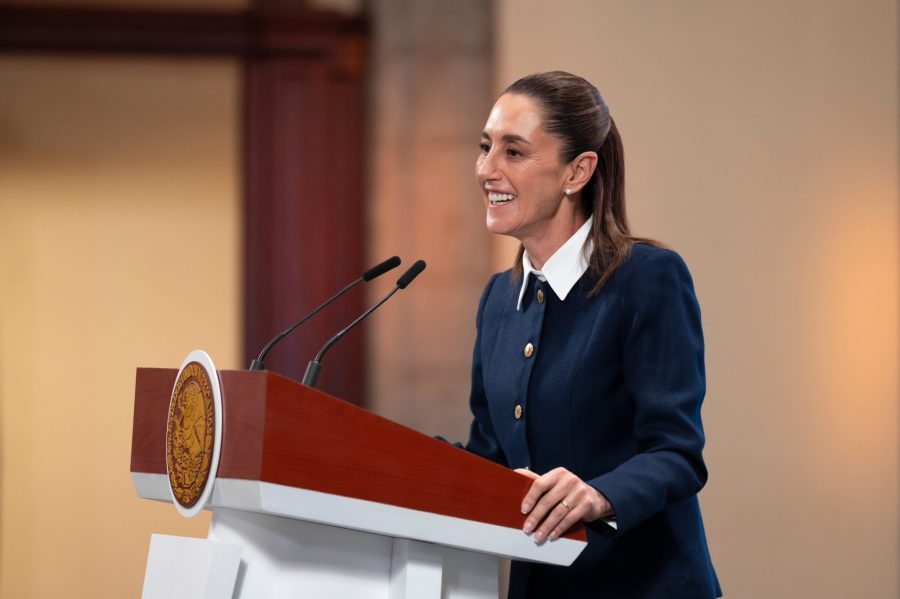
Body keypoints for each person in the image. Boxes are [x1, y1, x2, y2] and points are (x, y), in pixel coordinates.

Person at [464, 71, 721, 598]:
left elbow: (677, 453)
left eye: (514, 152)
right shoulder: (497, 300)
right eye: (486, 147)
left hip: (647, 584)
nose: (487, 169)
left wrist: (600, 494)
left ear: (577, 172)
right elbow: (488, 460)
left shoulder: (647, 278)